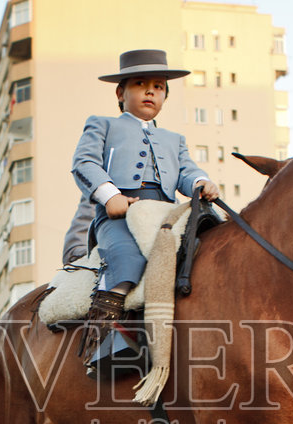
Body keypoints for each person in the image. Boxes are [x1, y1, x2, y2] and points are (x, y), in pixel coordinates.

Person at [69, 49, 218, 373]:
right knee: (127, 260)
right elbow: (84, 163)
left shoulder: (174, 138)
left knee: (211, 252)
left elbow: (186, 172)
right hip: (120, 212)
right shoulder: (102, 124)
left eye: (159, 86)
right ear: (121, 93)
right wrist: (110, 196)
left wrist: (201, 182)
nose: (151, 91)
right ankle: (103, 342)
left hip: (163, 213)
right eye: (140, 83)